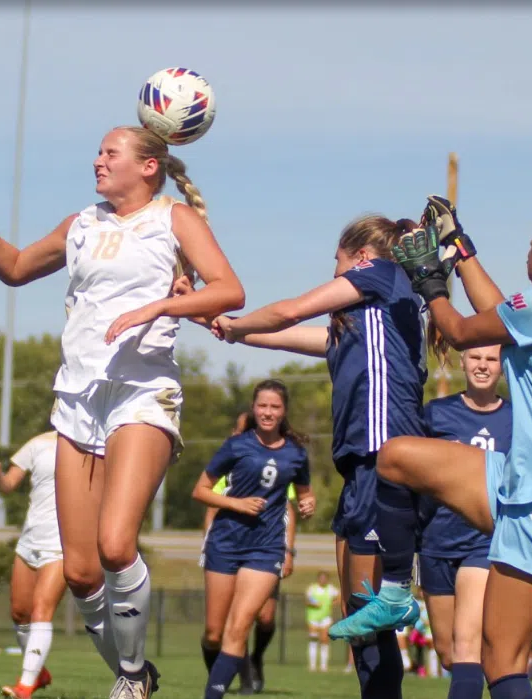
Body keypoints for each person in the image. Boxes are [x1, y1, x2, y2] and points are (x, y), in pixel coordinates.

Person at [0, 124, 245, 699]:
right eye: (98, 152)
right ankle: (137, 672)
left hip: (142, 392)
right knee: (80, 573)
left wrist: (159, 305)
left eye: (110, 153)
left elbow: (230, 290)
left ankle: (130, 680)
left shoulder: (175, 219)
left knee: (114, 545)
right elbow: (16, 267)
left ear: (148, 165)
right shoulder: (81, 223)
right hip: (76, 401)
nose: (98, 161)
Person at [378, 196, 532, 699]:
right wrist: (457, 246)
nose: (530, 243)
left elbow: (465, 331)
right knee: (397, 457)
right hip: (525, 483)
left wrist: (430, 282)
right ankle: (397, 592)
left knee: (501, 659)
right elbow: (496, 313)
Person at [197, 213, 430, 699]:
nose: (335, 274)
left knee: (371, 614)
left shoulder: (382, 277)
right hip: (360, 468)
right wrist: (222, 324)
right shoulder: (366, 324)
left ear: (361, 258)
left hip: (381, 459)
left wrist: (242, 322)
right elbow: (282, 335)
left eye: (338, 263)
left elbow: (289, 313)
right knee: (358, 614)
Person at [193, 379, 315, 699]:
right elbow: (200, 490)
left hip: (265, 547)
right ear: (253, 407)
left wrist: (308, 503)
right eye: (262, 405)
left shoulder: (296, 454)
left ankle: (216, 694)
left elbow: (304, 495)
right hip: (225, 542)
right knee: (214, 633)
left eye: (275, 407)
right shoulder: (236, 446)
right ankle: (230, 675)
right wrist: (236, 503)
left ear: (284, 411)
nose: (268, 412)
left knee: (240, 626)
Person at [417, 344, 512, 699]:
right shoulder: (436, 414)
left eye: (491, 359)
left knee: (467, 643)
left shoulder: (516, 419)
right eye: (476, 358)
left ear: (502, 367)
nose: (483, 366)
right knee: (448, 652)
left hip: (485, 542)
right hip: (436, 542)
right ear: (462, 362)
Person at [0, 430, 66, 699]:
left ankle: (25, 686)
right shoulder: (39, 443)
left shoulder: (93, 442)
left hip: (62, 543)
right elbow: (9, 484)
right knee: (20, 613)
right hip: (30, 539)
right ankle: (39, 673)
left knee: (42, 610)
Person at [305, 571, 340, 672]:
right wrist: (313, 604)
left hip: (325, 618)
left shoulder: (330, 589)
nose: (323, 580)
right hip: (313, 617)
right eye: (321, 578)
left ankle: (323, 666)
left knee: (324, 640)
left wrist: (333, 603)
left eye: (325, 578)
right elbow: (307, 601)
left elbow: (339, 596)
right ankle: (312, 665)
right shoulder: (312, 588)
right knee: (313, 639)